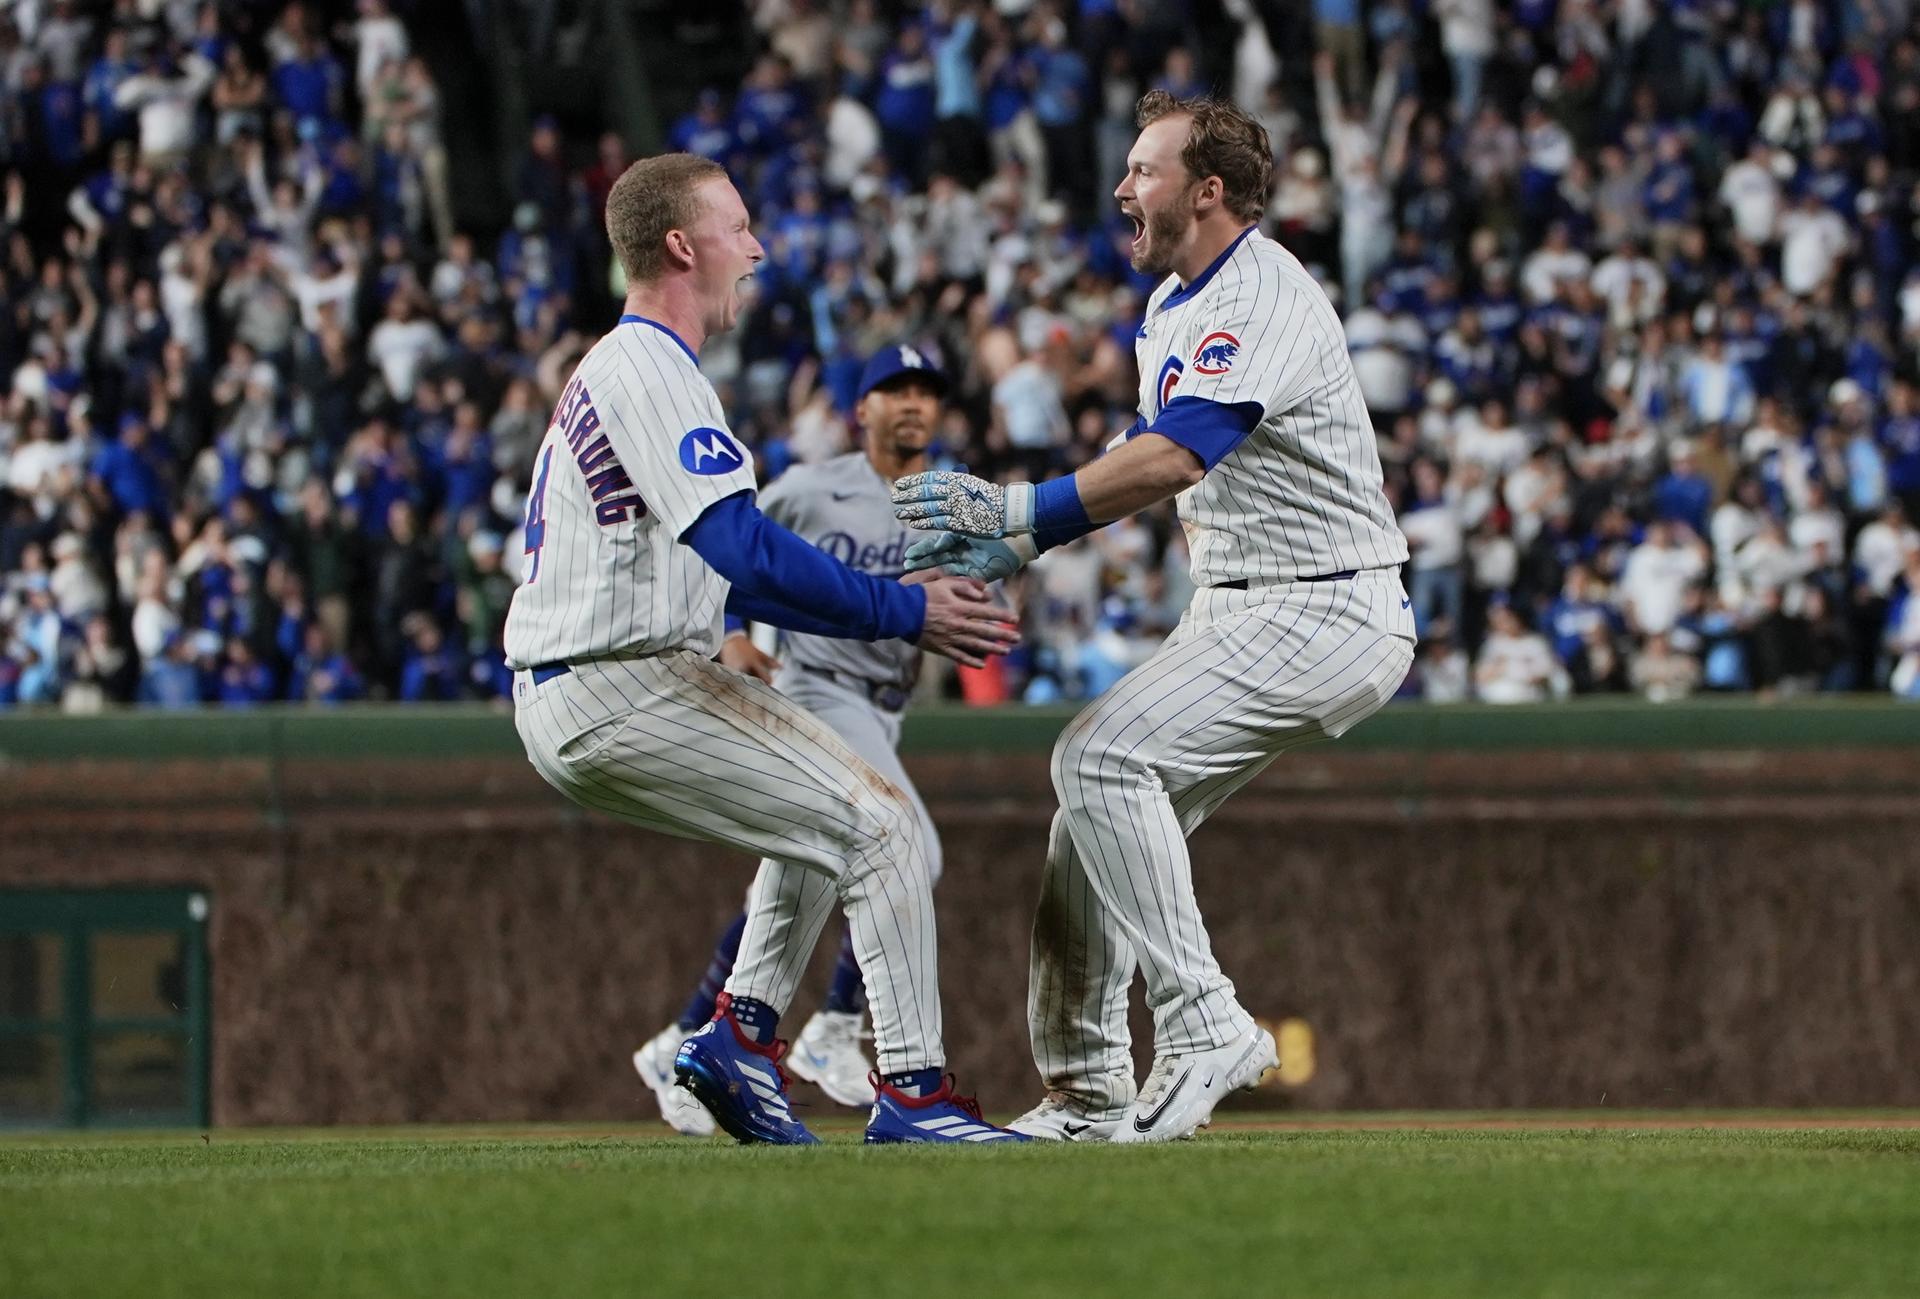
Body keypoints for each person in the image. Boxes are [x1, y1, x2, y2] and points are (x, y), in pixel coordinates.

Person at [896, 92, 1415, 1141]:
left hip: (1325, 603)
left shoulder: (1260, 292)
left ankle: (1204, 1025)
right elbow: (1156, 470)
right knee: (1090, 826)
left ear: (1207, 190)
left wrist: (1023, 516)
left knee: (1096, 760)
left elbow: (1178, 456)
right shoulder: (1174, 305)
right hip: (1244, 606)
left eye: (1145, 169)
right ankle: (1088, 1093)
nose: (1124, 186)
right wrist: (1021, 538)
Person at [505, 153, 1024, 1145]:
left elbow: (729, 578)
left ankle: (738, 1043)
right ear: (680, 245)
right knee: (889, 833)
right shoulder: (651, 366)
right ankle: (913, 1097)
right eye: (737, 226)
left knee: (825, 820)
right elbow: (745, 549)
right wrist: (902, 610)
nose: (756, 247)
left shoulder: (633, 370)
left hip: (604, 679)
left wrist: (892, 604)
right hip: (622, 684)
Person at [630, 342, 964, 1135]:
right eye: (894, 389)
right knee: (910, 847)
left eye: (926, 389)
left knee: (795, 879)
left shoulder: (947, 498)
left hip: (887, 702)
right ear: (862, 410)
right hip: (818, 685)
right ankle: (833, 1029)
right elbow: (724, 548)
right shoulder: (813, 488)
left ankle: (684, 1035)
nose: (912, 402)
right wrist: (736, 631)